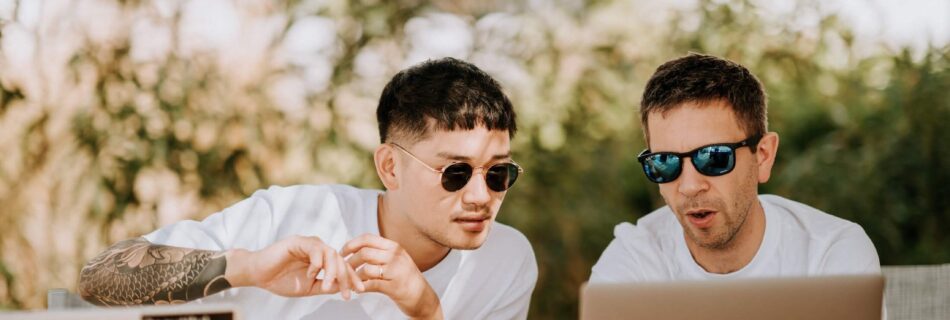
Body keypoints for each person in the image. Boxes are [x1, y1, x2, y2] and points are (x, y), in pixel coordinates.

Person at [78, 57, 538, 320]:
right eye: (455, 173)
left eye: (499, 174)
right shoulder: (292, 214)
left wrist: (423, 308)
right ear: (390, 167)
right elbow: (99, 280)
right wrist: (249, 268)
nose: (481, 196)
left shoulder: (506, 259)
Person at [590, 53, 880, 283]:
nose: (689, 185)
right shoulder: (635, 260)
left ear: (763, 156)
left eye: (713, 158)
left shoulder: (830, 254)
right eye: (665, 162)